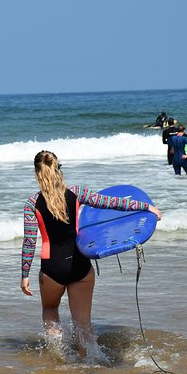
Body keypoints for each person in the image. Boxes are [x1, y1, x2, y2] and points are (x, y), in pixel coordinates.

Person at [20, 151, 162, 358]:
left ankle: (59, 359)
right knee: (83, 322)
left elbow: (30, 241)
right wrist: (146, 207)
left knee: (50, 311)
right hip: (80, 265)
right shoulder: (76, 193)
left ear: (36, 173)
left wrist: (24, 275)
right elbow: (112, 202)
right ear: (59, 169)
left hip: (52, 269)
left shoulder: (32, 204)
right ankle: (89, 363)